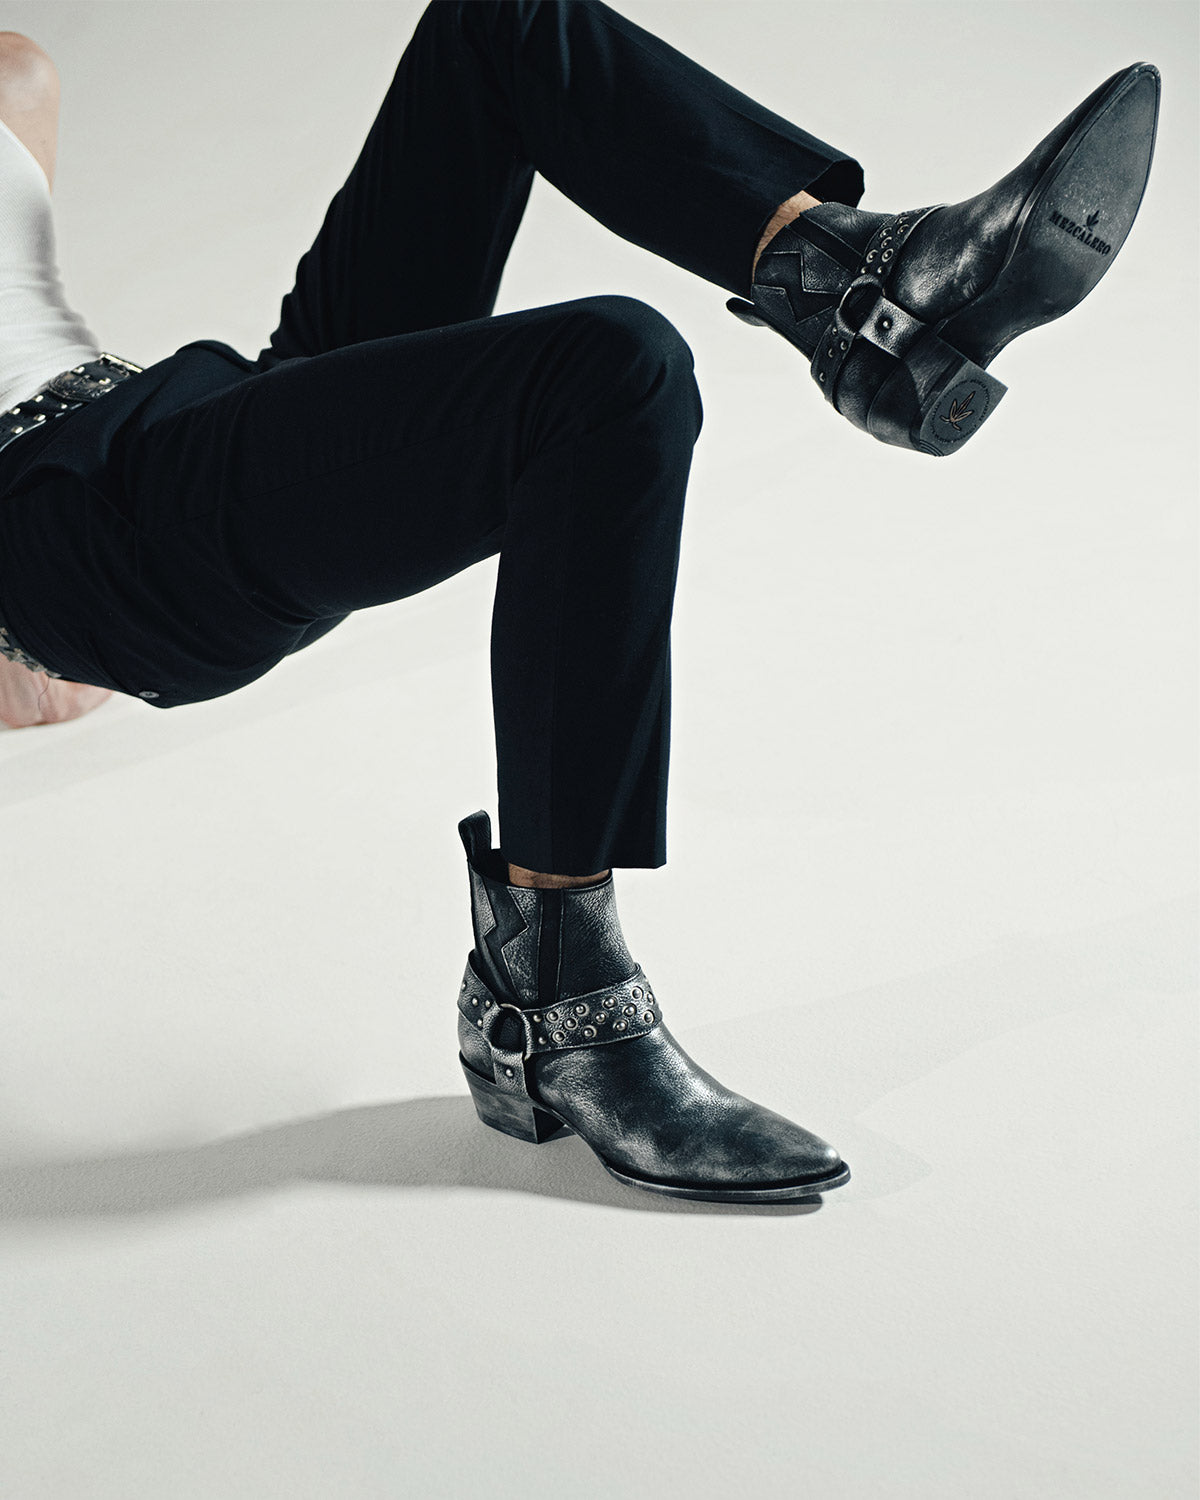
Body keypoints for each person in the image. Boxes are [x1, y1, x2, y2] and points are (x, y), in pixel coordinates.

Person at [0, 4, 1159, 1203]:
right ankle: (554, 995)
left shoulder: (11, 74)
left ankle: (865, 287)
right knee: (611, 371)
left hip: (173, 432)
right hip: (78, 532)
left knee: (500, 24)